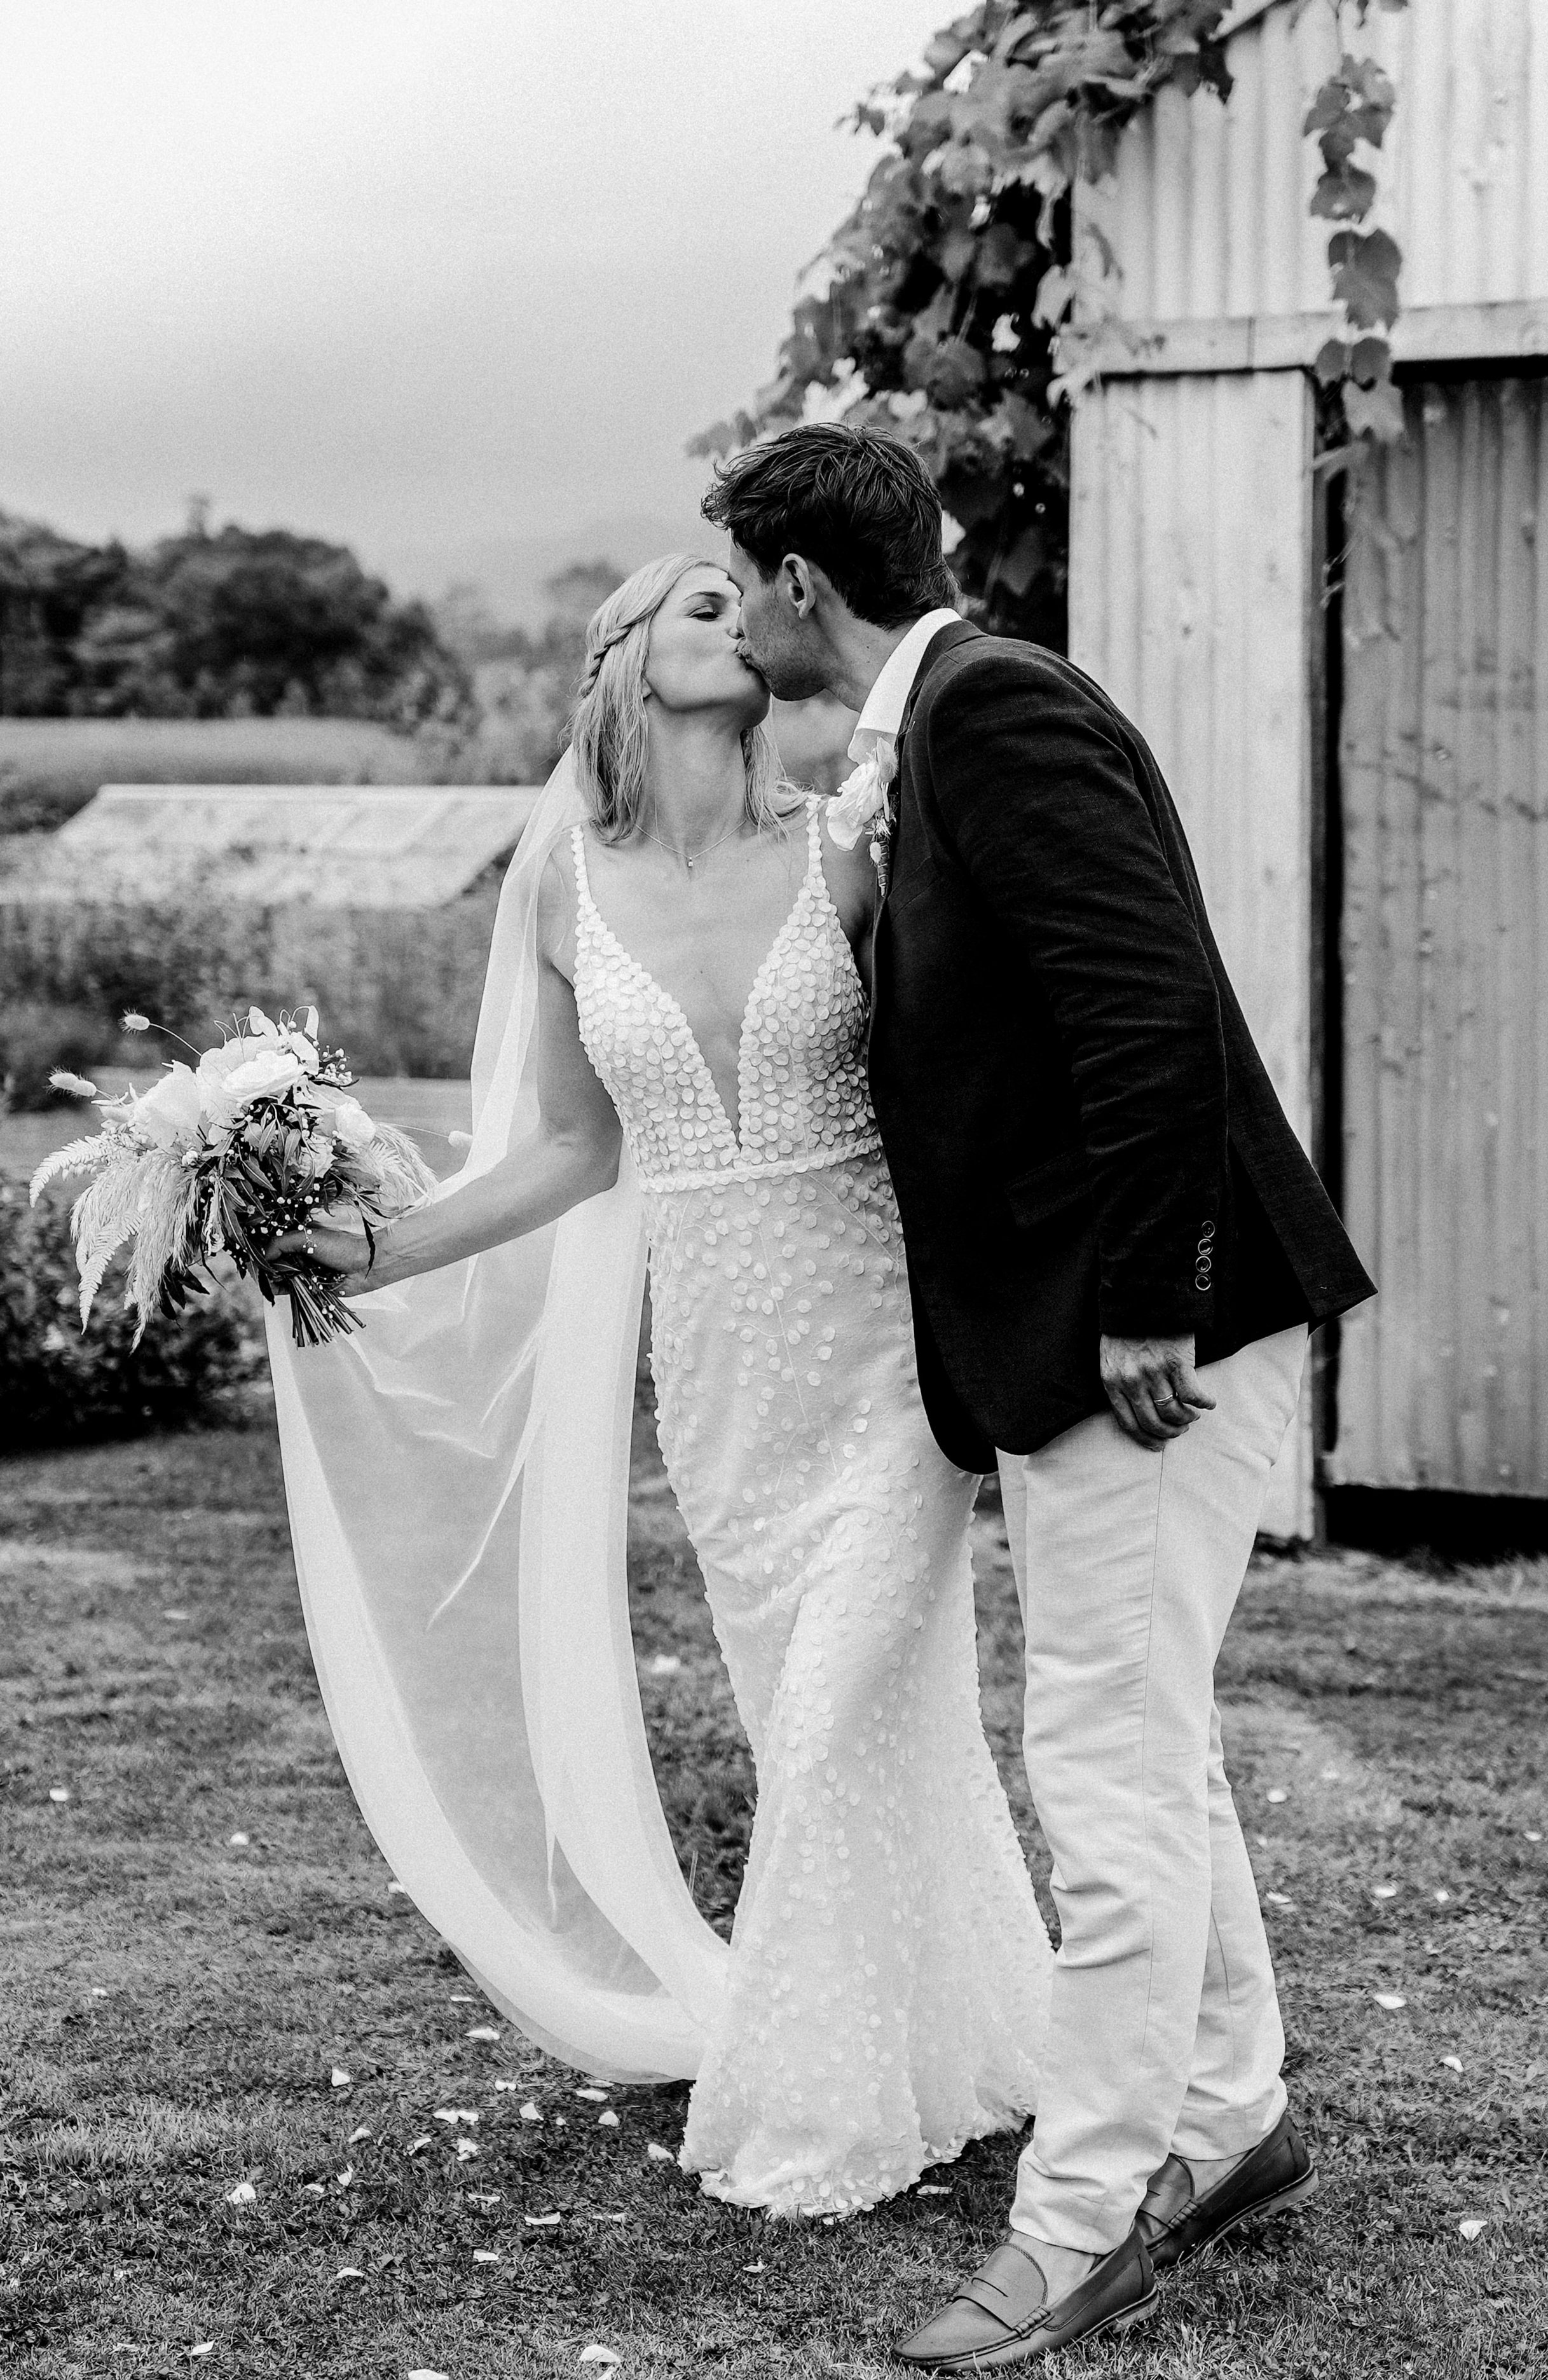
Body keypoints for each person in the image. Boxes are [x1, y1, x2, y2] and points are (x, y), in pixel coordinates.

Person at [268, 551, 1051, 2219]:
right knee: (826, 1723)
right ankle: (971, 2037)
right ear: (623, 662)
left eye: (744, 606)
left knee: (844, 1710)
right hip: (715, 1375)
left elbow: (967, 1082)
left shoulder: (844, 842)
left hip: (879, 1347)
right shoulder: (560, 883)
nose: (743, 625)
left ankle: (825, 2104)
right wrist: (373, 1250)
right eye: (701, 607)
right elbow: (565, 1147)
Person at [706, 423, 1375, 2365]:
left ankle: (1081, 2219)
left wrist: (1152, 1294)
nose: (739, 613)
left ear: (797, 585)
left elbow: (1143, 993)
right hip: (1088, 1335)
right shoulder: (927, 738)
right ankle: (1231, 2122)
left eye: (738, 580)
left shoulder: (992, 716)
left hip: (1143, 1345)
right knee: (1138, 1746)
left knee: (1098, 1773)